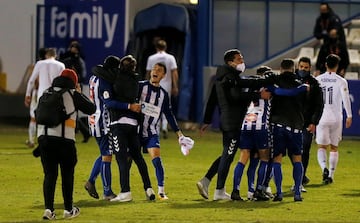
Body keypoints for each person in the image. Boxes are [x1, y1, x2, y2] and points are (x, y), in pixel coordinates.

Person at [196, 49, 271, 200]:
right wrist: (258, 95)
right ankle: (219, 191)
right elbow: (236, 96)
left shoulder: (221, 77)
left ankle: (206, 180)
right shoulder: (230, 77)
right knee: (228, 155)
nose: (242, 62)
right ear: (230, 62)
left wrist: (207, 120)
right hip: (233, 121)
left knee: (226, 154)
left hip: (227, 120)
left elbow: (212, 99)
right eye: (239, 59)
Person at [38, 69, 95, 220]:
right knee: (67, 175)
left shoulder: (47, 92)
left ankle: (48, 210)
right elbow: (91, 108)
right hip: (65, 142)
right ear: (74, 82)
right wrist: (79, 92)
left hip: (44, 140)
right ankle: (68, 209)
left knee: (49, 175)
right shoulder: (72, 94)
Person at [99, 55, 155, 202]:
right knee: (138, 157)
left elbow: (109, 102)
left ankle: (125, 192)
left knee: (121, 159)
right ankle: (148, 188)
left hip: (118, 123)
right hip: (133, 124)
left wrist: (127, 106)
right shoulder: (136, 80)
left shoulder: (114, 79)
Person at [139, 62, 192, 200]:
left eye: (159, 70)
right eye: (154, 69)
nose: (155, 71)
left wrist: (179, 133)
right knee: (126, 161)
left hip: (151, 132)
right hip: (135, 131)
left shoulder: (163, 94)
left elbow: (169, 114)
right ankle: (124, 191)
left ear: (163, 75)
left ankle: (161, 192)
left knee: (157, 161)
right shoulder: (141, 86)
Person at [269, 58, 308, 202]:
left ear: (281, 68)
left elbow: (276, 94)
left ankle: (279, 193)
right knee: (297, 158)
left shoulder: (274, 83)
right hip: (296, 127)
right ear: (294, 69)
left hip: (278, 125)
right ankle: (297, 192)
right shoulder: (301, 85)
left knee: (277, 159)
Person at [84, 56, 121, 201]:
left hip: (93, 119)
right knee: (107, 155)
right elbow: (108, 101)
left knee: (105, 153)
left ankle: (91, 181)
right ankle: (107, 192)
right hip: (102, 122)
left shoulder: (94, 77)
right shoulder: (104, 81)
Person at [315, 54, 352, 184]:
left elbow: (314, 100)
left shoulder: (318, 79)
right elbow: (345, 99)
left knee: (321, 146)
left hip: (322, 117)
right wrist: (349, 115)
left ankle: (324, 168)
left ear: (326, 64)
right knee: (334, 147)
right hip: (336, 117)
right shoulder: (341, 81)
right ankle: (330, 175)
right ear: (337, 66)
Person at [293, 57, 324, 191]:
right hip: (292, 122)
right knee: (291, 151)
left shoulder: (314, 84)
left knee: (304, 150)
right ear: (297, 67)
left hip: (306, 123)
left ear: (309, 68)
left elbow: (319, 105)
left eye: (306, 67)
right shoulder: (291, 81)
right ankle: (300, 176)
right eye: (301, 67)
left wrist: (314, 122)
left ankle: (300, 178)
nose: (303, 70)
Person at [146, 39, 179, 139]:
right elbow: (174, 72)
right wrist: (175, 86)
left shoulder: (151, 58)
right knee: (166, 107)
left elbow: (148, 72)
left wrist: (146, 84)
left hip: (154, 84)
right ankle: (164, 126)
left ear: (156, 47)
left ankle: (156, 127)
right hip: (166, 84)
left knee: (153, 106)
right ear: (165, 47)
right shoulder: (170, 58)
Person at [60, 40, 91, 143]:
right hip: (68, 87)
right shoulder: (67, 59)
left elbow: (82, 76)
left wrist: (76, 82)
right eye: (71, 46)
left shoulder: (79, 61)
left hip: (75, 87)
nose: (72, 49)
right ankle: (81, 131)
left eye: (74, 47)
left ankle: (82, 131)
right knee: (72, 111)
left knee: (72, 111)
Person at [25, 48, 47, 148]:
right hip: (46, 94)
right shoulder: (49, 66)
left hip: (37, 93)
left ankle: (31, 140)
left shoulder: (37, 66)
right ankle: (42, 140)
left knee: (33, 119)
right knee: (44, 119)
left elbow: (32, 81)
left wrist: (28, 95)